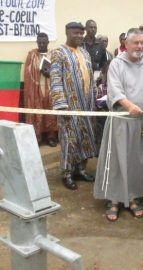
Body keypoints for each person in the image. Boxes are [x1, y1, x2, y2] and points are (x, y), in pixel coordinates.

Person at [94, 28, 143, 221]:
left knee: (135, 161)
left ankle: (132, 196)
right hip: (120, 122)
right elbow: (115, 91)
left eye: (142, 43)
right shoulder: (116, 64)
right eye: (136, 43)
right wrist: (130, 106)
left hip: (141, 123)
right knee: (117, 160)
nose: (140, 46)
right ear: (127, 44)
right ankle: (114, 199)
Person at [50, 22, 98, 190]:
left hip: (87, 104)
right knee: (69, 139)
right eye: (75, 33)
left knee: (84, 137)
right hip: (69, 105)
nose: (79, 36)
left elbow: (90, 78)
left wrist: (95, 98)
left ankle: (80, 169)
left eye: (81, 33)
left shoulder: (85, 53)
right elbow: (55, 79)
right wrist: (61, 104)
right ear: (67, 33)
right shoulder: (58, 53)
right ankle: (67, 173)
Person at [24, 32, 58, 147]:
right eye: (40, 42)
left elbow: (59, 71)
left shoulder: (53, 54)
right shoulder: (32, 55)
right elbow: (28, 73)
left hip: (51, 89)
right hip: (37, 89)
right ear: (37, 42)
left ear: (48, 42)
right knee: (37, 112)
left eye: (44, 42)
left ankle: (51, 137)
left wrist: (50, 74)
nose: (42, 44)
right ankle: (38, 137)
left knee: (51, 114)